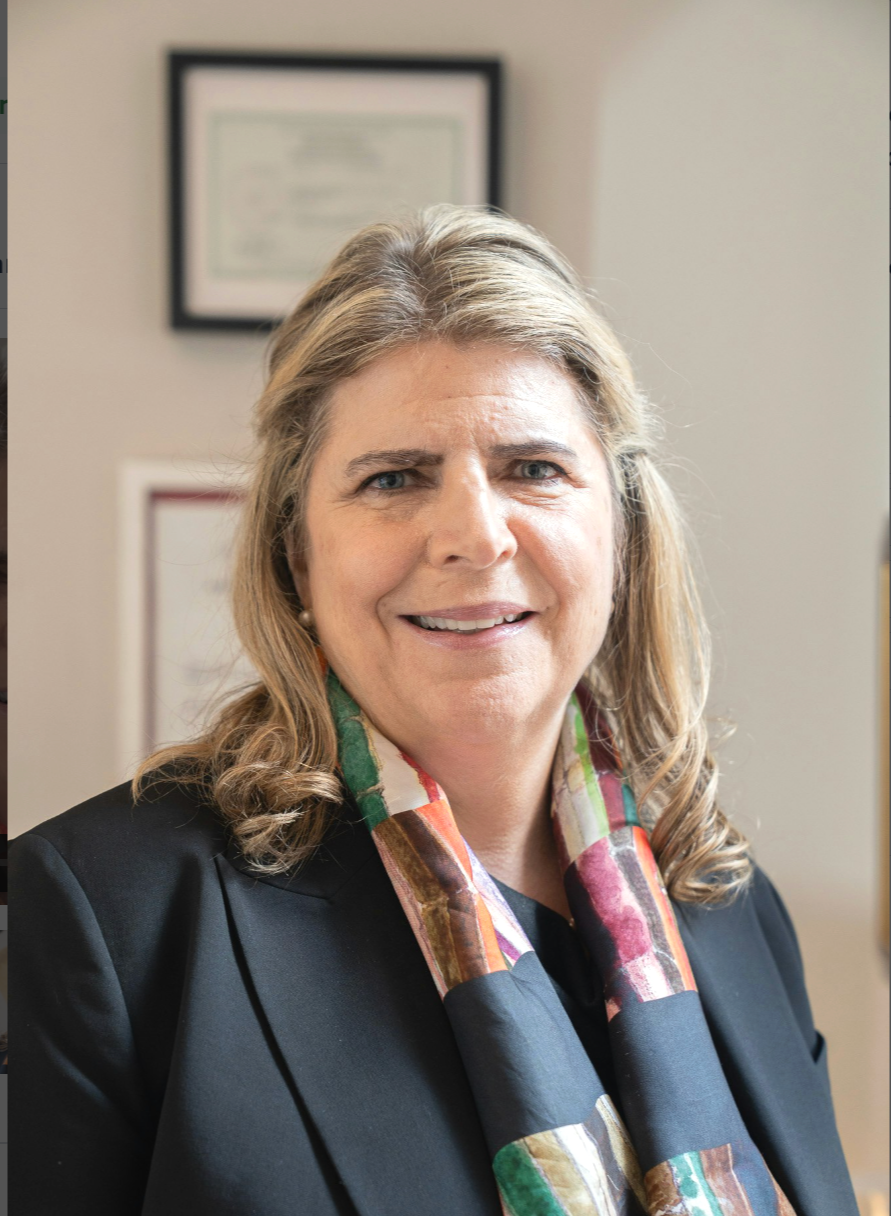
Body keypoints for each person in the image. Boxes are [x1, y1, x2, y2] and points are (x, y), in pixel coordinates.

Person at [12, 207, 856, 1215]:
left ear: (622, 531)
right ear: (296, 552)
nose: (472, 533)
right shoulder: (105, 914)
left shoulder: (731, 908)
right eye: (394, 478)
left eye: (533, 469)